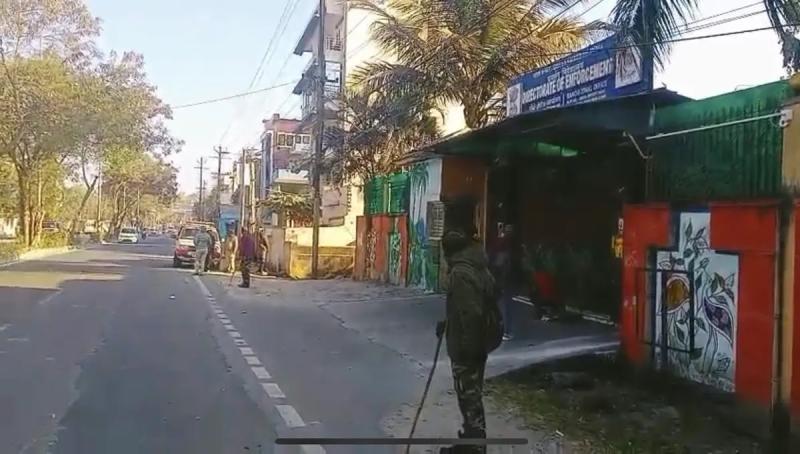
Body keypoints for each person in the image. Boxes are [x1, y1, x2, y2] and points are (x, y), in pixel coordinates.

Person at [437, 221, 503, 454]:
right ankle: (470, 441)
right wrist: (448, 323)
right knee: (470, 394)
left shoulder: (460, 273)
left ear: (449, 252)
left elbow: (472, 313)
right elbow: (473, 305)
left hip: (468, 348)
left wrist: (468, 348)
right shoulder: (476, 265)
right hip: (478, 343)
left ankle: (475, 447)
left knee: (469, 397)